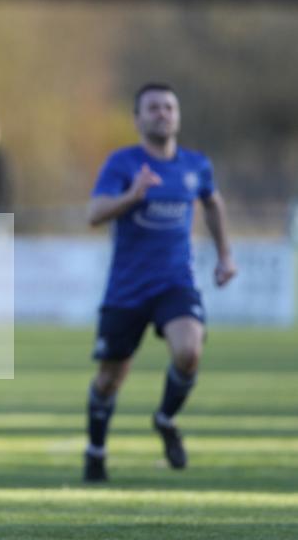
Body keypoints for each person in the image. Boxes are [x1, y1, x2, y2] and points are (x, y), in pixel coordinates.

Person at [83, 83, 237, 482]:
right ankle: (95, 450)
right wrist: (132, 195)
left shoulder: (195, 166)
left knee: (189, 350)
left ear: (178, 116)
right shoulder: (122, 164)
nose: (163, 113)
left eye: (169, 107)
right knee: (109, 378)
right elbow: (95, 213)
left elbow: (213, 204)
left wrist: (225, 256)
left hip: (175, 283)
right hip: (127, 288)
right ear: (138, 119)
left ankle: (165, 419)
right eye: (153, 108)